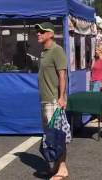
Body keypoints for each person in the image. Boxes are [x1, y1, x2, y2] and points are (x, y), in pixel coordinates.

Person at [36, 22, 70, 180]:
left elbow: (63, 75)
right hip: (45, 101)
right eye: (38, 31)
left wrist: (62, 97)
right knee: (50, 137)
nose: (38, 33)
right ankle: (55, 167)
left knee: (57, 135)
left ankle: (62, 168)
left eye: (42, 31)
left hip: (54, 101)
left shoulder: (57, 51)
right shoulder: (44, 52)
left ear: (50, 34)